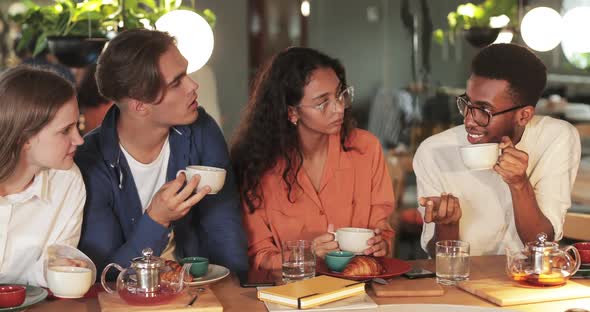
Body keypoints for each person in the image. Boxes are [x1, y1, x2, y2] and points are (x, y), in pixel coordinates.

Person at [75, 29, 248, 277]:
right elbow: (108, 273)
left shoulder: (201, 129)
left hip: (196, 290)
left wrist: (236, 290)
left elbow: (223, 224)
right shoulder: (91, 161)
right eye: (176, 82)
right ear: (140, 105)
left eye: (186, 74)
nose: (193, 85)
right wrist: (157, 219)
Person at [231, 47, 395, 271]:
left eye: (340, 95)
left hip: (359, 291)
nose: (338, 108)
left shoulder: (366, 149)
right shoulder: (257, 165)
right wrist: (305, 255)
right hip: (288, 295)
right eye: (322, 103)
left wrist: (382, 244)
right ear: (292, 113)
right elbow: (258, 257)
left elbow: (383, 229)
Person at [414, 43, 581, 257]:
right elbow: (438, 257)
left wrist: (520, 184)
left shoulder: (555, 138)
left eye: (484, 110)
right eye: (467, 103)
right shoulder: (434, 151)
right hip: (463, 282)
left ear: (524, 116)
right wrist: (447, 224)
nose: (469, 120)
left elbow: (542, 244)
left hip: (528, 281)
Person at [0, 66, 85, 286]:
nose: (79, 140)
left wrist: (58, 270)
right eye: (65, 130)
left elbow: (47, 273)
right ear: (24, 138)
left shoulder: (68, 182)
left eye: (78, 125)